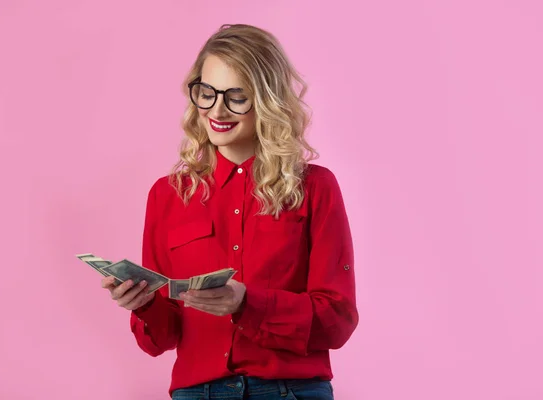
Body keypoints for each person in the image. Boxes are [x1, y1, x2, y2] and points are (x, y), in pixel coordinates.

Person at [101, 23, 359, 400]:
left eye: (236, 96)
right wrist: (142, 304)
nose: (216, 109)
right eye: (207, 92)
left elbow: (337, 321)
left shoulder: (315, 187)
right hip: (197, 393)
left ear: (267, 99)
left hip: (289, 391)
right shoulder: (168, 195)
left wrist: (247, 303)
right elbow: (163, 339)